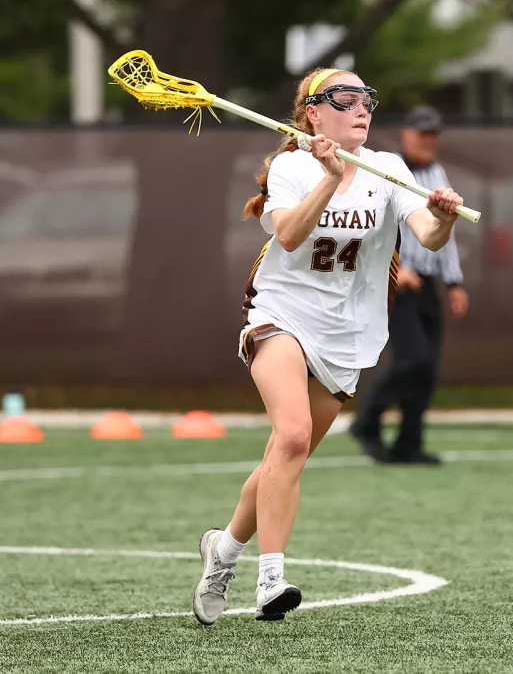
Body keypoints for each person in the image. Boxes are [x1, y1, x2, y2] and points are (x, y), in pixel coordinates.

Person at [190, 68, 465, 624]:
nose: (362, 109)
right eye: (346, 99)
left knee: (284, 458)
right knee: (290, 436)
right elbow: (288, 234)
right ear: (313, 113)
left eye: (368, 99)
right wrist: (327, 176)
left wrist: (443, 219)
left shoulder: (387, 168)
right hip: (281, 315)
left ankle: (222, 553)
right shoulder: (291, 166)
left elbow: (427, 237)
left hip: (346, 335)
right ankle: (272, 580)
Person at [348, 105, 467, 465]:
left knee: (427, 367)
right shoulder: (386, 172)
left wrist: (454, 281)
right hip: (397, 282)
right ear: (405, 134)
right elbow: (369, 227)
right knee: (411, 357)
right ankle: (366, 421)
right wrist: (395, 269)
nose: (428, 141)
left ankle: (409, 442)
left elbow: (446, 229)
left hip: (428, 283)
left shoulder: (437, 172)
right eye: (422, 133)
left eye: (433, 134)